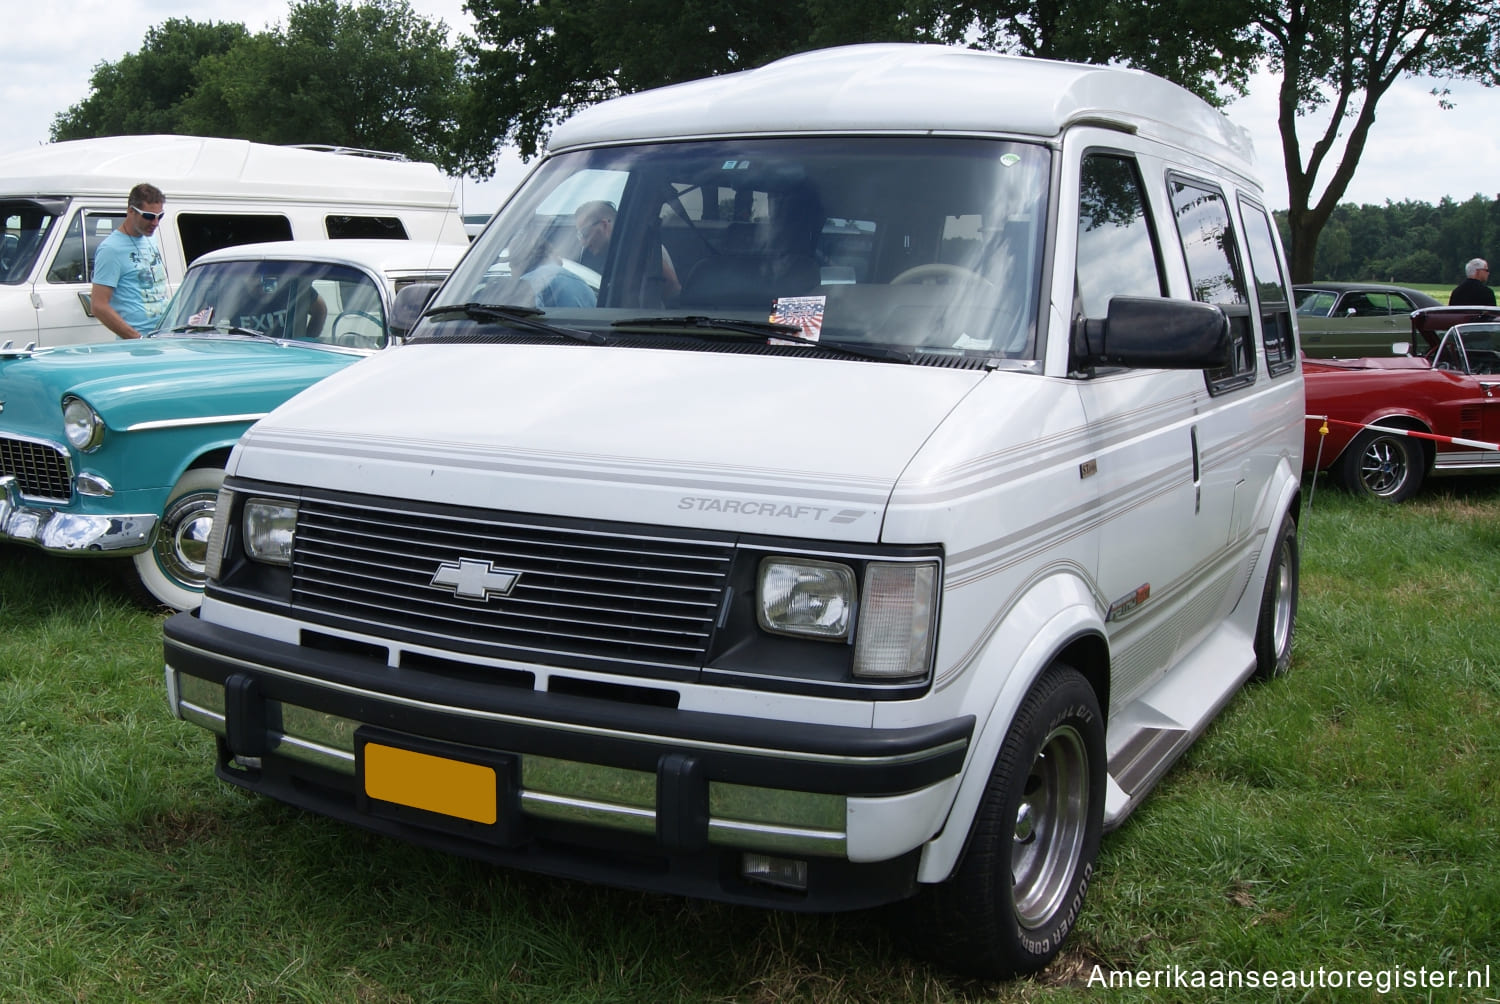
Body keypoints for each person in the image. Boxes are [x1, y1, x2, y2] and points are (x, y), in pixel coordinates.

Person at [91, 183, 170, 339]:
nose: (155, 223)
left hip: (163, 338)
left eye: (159, 216)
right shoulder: (111, 249)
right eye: (148, 216)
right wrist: (136, 338)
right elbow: (98, 306)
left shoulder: (150, 238)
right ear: (131, 211)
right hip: (136, 345)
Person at [574, 200, 681, 301]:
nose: (583, 243)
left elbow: (672, 285)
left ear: (604, 225)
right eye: (579, 236)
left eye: (585, 233)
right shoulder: (610, 251)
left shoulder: (638, 247)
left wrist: (645, 308)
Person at [227, 271, 327, 338]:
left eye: (263, 276)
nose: (259, 281)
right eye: (253, 275)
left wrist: (307, 339)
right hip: (244, 354)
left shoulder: (288, 288)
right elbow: (213, 319)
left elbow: (320, 309)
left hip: (287, 352)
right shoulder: (233, 296)